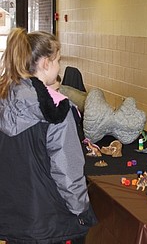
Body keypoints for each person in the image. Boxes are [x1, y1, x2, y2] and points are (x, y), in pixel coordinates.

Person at [0, 28, 97, 243]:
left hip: (13, 217)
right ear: (45, 63)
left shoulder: (4, 99)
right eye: (58, 60)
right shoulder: (57, 111)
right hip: (51, 222)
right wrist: (80, 211)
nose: (59, 66)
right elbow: (67, 171)